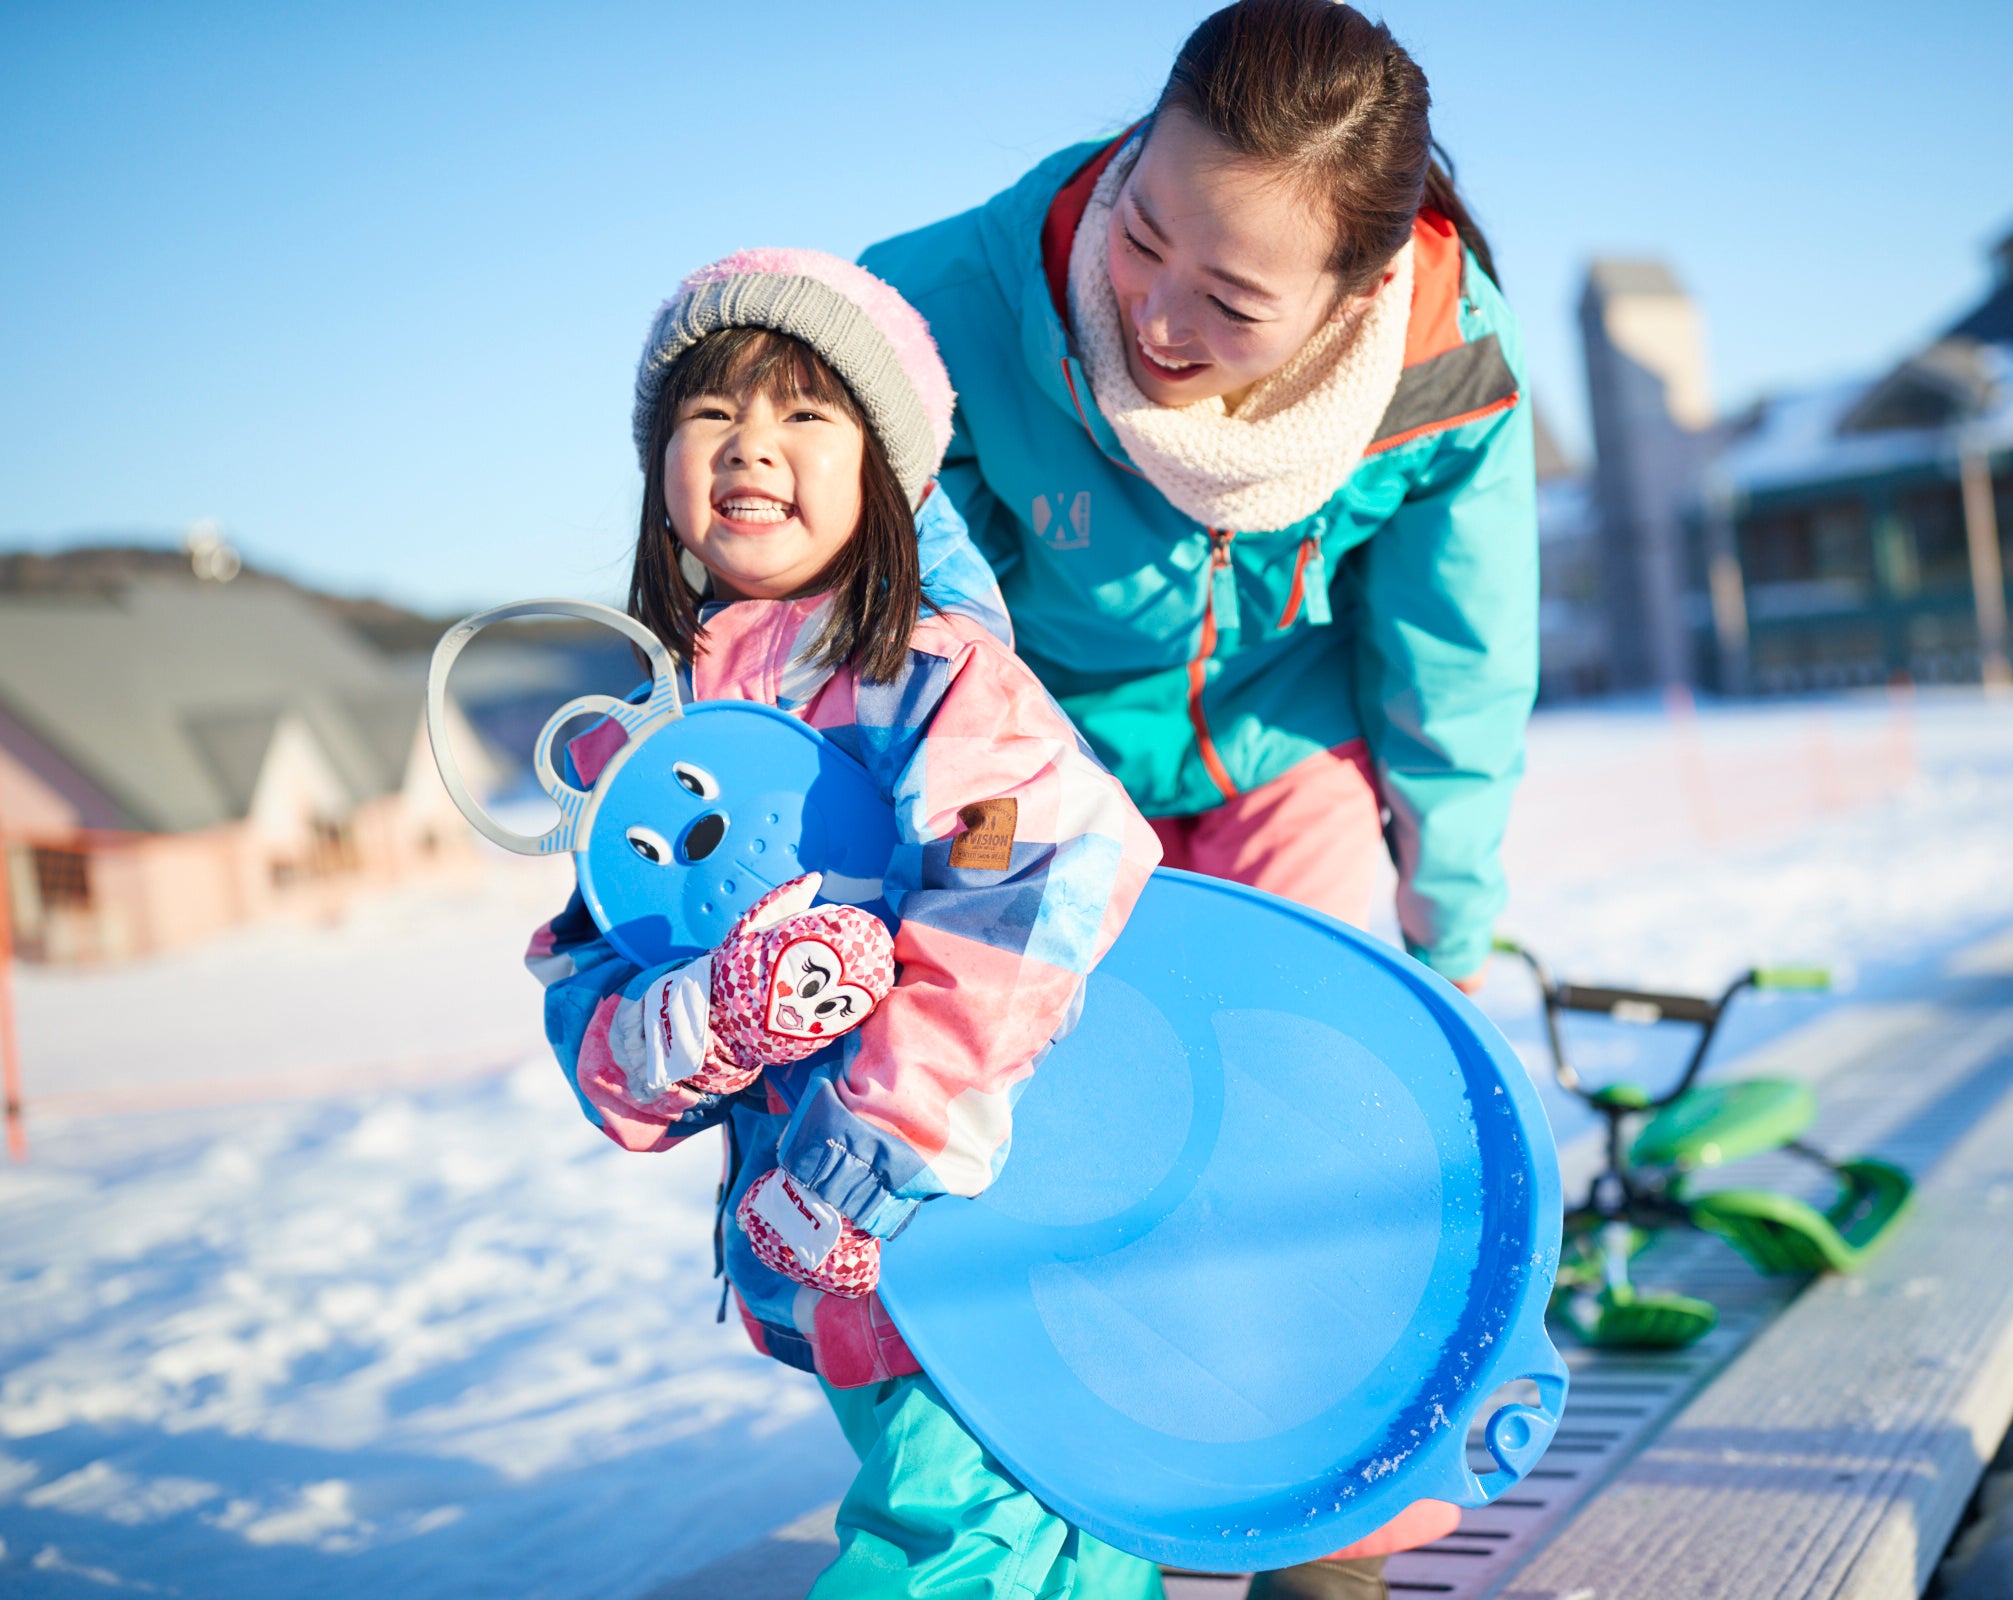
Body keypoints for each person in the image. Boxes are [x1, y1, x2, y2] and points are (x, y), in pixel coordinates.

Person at [863, 2, 1538, 1591]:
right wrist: (977, 885)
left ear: (1358, 292)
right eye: (1144, 234)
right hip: (1025, 759)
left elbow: (1455, 661)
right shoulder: (941, 316)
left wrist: (1451, 924)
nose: (1157, 311)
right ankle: (1075, 1493)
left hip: (1278, 747)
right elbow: (925, 653)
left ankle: (1328, 1524)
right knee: (1027, 1084)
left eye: (1231, 297)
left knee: (1313, 1112)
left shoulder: (1446, 356)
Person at [525, 248, 1166, 1599]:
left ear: (890, 471)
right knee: (1057, 1536)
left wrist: (861, 1160)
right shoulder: (657, 747)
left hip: (963, 1212)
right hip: (827, 1255)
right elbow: (591, 976)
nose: (751, 444)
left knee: (952, 1536)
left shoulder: (928, 675)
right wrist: (697, 1020)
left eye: (806, 412)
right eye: (711, 413)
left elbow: (1033, 877)